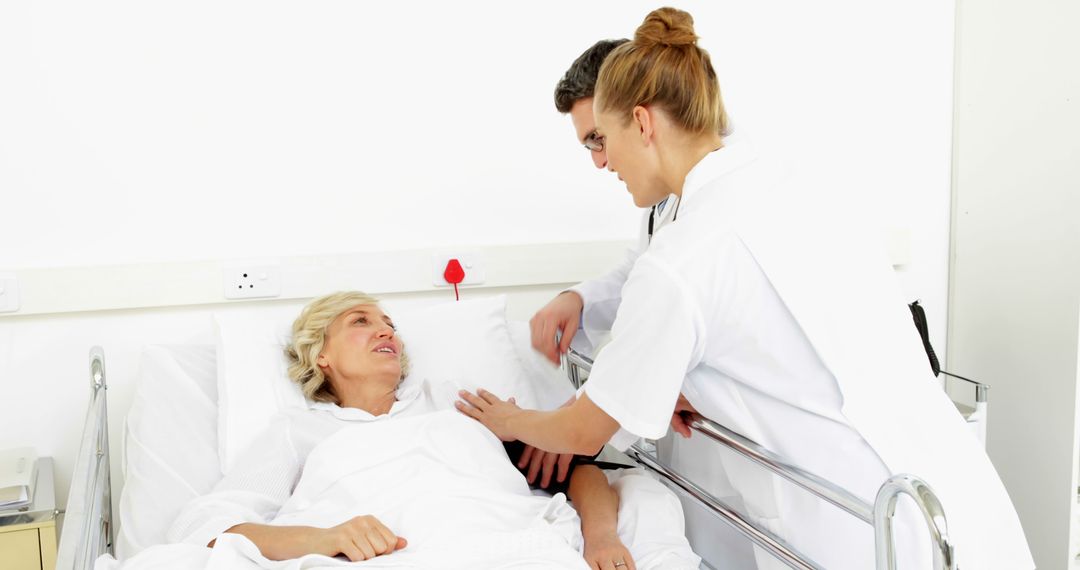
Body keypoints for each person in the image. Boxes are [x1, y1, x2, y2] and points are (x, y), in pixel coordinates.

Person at [457, 7, 1034, 570]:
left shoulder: (682, 260)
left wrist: (510, 421)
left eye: (601, 138)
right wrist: (700, 385)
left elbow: (585, 427)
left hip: (854, 524)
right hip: (954, 494)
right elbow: (784, 338)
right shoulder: (792, 182)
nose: (603, 164)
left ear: (642, 121)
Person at [166, 291, 698, 570]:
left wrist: (600, 537)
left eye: (389, 325)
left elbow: (577, 471)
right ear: (320, 355)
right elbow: (209, 528)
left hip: (511, 551)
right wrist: (325, 537)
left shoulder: (459, 402)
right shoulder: (298, 431)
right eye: (361, 322)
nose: (384, 331)